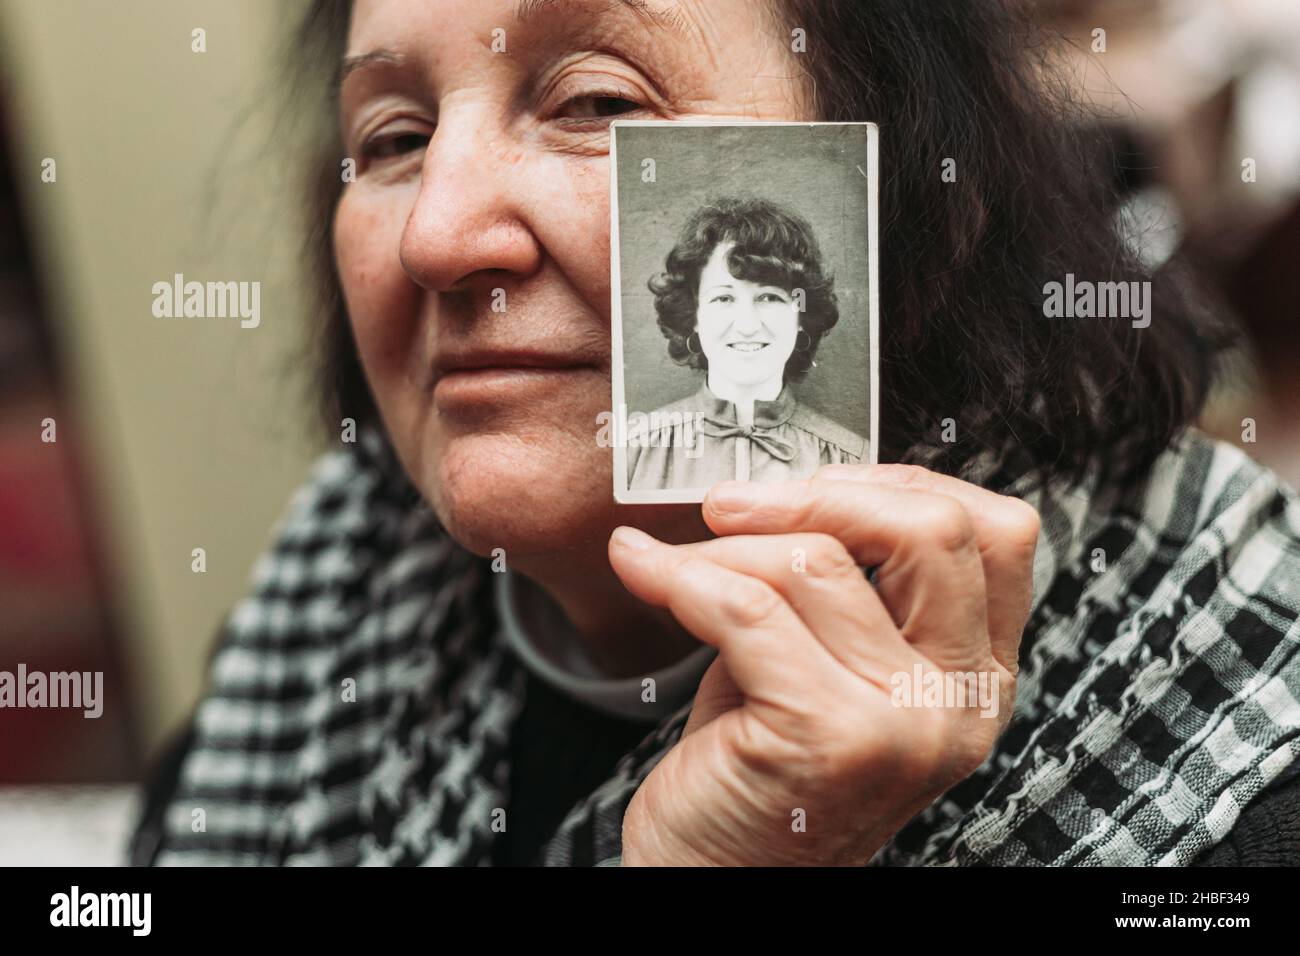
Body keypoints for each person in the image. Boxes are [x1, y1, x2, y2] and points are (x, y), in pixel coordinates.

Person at [129, 0, 1300, 866]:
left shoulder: (1243, 762)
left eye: (594, 103)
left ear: (919, 205)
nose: (436, 234)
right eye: (392, 138)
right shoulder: (320, 608)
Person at [627, 197, 869, 491]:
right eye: (724, 298)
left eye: (769, 297)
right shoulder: (633, 450)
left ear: (801, 319)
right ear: (695, 316)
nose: (747, 325)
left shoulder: (852, 460)